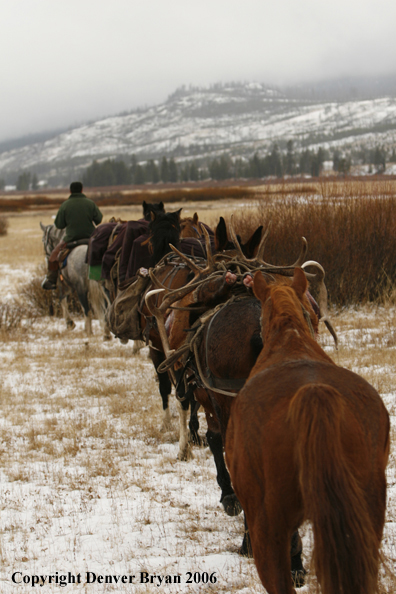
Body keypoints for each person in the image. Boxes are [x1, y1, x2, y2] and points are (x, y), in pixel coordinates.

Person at [42, 181, 103, 290]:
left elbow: (59, 225)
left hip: (71, 239)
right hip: (91, 237)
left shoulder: (65, 205)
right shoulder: (90, 203)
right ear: (82, 190)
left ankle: (51, 280)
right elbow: (99, 219)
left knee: (53, 257)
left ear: (70, 191)